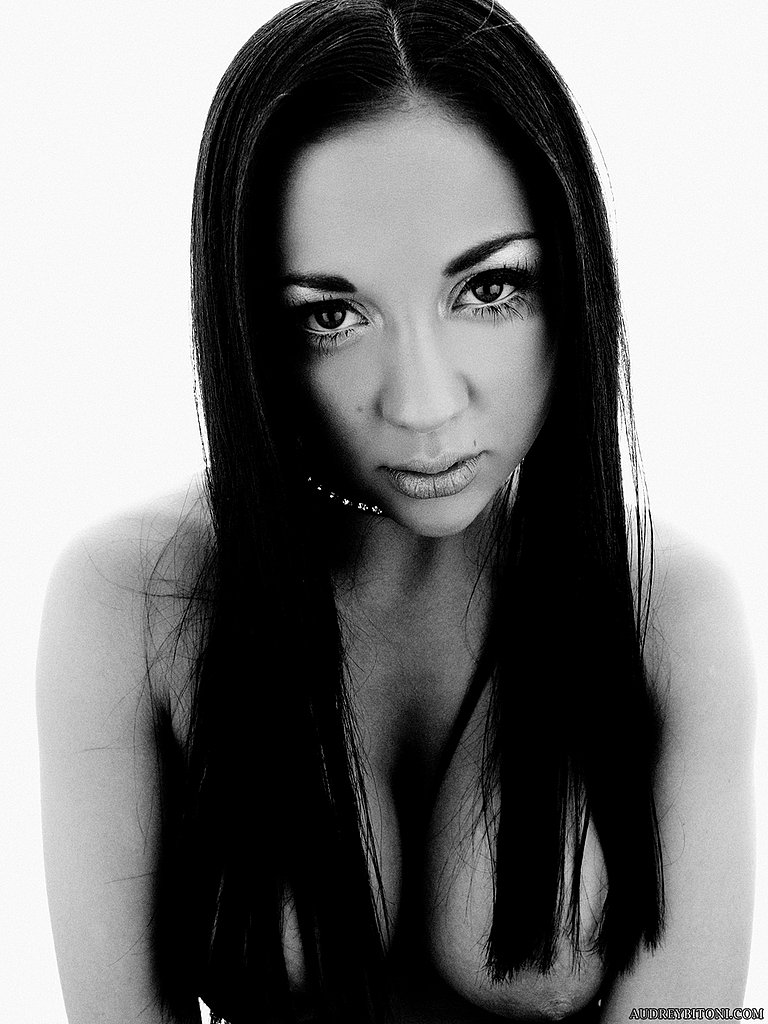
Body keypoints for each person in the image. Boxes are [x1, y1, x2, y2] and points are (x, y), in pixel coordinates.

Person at [36, 1, 756, 1021]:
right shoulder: (132, 601)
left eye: (490, 289)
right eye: (333, 315)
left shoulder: (670, 611)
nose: (422, 405)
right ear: (248, 324)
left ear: (575, 277)